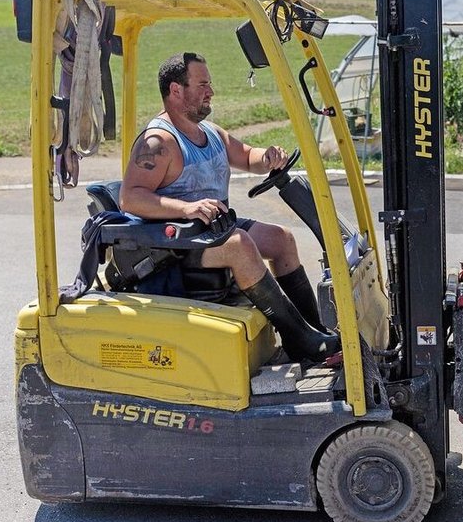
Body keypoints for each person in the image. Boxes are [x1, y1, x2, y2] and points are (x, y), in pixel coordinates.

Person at [120, 52, 341, 367]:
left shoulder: (210, 132)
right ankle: (298, 338)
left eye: (209, 83)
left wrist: (267, 157)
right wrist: (186, 207)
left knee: (282, 239)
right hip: (175, 244)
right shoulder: (157, 143)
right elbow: (131, 197)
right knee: (240, 246)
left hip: (212, 230)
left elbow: (247, 155)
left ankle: (315, 332)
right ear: (176, 90)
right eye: (203, 84)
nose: (211, 91)